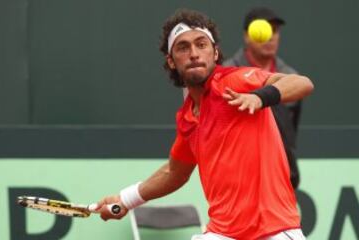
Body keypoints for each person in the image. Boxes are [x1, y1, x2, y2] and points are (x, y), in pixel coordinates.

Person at [95, 9, 314, 240]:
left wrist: (260, 97)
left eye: (201, 45)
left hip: (274, 230)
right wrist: (125, 200)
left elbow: (301, 83)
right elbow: (174, 173)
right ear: (171, 61)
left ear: (215, 52)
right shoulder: (188, 118)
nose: (194, 54)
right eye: (183, 47)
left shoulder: (234, 81)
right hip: (223, 233)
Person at [223, 6, 302, 189]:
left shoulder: (291, 77)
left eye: (274, 31)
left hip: (281, 176)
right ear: (246, 36)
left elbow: (291, 130)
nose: (271, 36)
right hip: (238, 177)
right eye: (265, 28)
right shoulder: (226, 74)